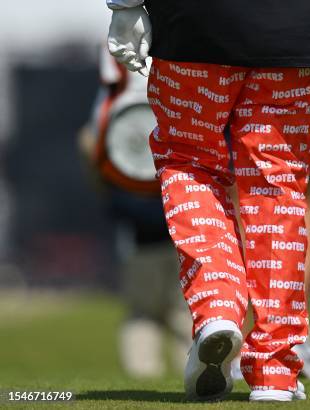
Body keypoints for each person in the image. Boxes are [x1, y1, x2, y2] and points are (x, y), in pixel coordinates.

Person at [106, 0, 310, 402]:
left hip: (193, 31)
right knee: (278, 187)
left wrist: (125, 7)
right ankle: (275, 368)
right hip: (296, 30)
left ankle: (218, 307)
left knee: (190, 166)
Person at [79, 48, 191, 378]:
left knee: (145, 311)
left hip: (137, 206)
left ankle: (148, 376)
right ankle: (193, 376)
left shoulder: (116, 56)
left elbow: (90, 140)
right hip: (177, 201)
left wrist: (108, 194)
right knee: (186, 308)